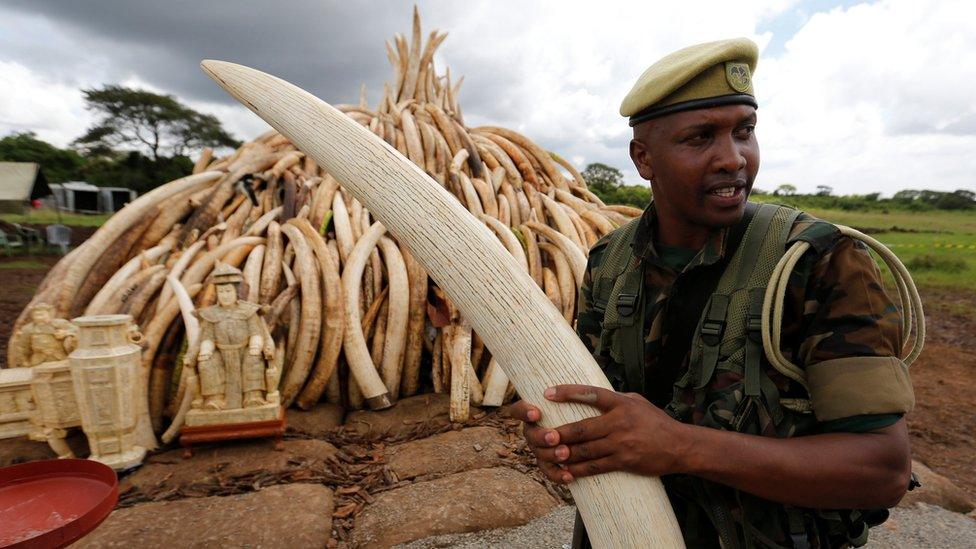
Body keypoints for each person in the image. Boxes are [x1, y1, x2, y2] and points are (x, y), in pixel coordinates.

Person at [509, 38, 916, 548]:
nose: (733, 158)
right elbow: (597, 414)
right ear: (643, 158)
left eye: (744, 132)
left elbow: (882, 469)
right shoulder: (609, 263)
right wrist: (562, 441)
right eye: (700, 137)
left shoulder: (820, 262)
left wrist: (679, 447)